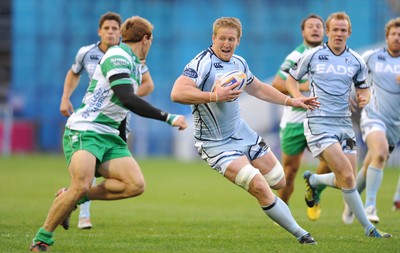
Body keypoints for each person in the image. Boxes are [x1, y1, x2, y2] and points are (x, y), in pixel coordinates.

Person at [29, 16, 187, 252]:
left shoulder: (134, 63)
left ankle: (69, 197)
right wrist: (169, 117)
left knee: (135, 185)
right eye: (151, 40)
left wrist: (121, 138)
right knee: (81, 185)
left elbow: (121, 106)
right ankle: (42, 239)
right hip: (86, 129)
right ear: (146, 39)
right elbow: (127, 98)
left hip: (109, 134)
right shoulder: (117, 56)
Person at [171, 17, 320, 245]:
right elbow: (177, 93)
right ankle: (302, 234)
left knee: (279, 181)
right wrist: (214, 95)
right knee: (259, 185)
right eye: (222, 38)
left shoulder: (239, 63)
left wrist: (292, 101)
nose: (226, 43)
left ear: (238, 41)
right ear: (214, 39)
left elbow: (258, 88)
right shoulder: (201, 63)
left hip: (243, 134)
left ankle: (277, 205)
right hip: (216, 144)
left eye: (231, 39)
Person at [286, 11, 391, 238]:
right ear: (328, 31)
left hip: (343, 124)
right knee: (345, 174)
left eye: (343, 30)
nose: (339, 34)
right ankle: (369, 229)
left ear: (349, 33)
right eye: (335, 29)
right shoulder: (313, 55)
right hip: (318, 122)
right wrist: (297, 98)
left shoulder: (356, 60)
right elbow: (290, 78)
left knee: (349, 177)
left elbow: (363, 88)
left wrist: (364, 97)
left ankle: (314, 180)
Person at [59, 13, 155, 230]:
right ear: (99, 31)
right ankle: (83, 215)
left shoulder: (128, 56)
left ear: (121, 33)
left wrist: (125, 97)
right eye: (107, 28)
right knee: (87, 168)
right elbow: (73, 74)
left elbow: (148, 84)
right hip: (92, 119)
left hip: (118, 120)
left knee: (110, 171)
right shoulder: (87, 53)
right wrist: (65, 98)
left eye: (115, 28)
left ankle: (71, 198)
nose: (111, 32)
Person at [341, 17, 400, 224]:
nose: (397, 38)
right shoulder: (372, 57)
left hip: (395, 124)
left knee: (370, 164)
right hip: (373, 116)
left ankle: (351, 201)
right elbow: (350, 72)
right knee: (381, 153)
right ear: (387, 37)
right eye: (394, 34)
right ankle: (370, 206)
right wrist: (344, 96)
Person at [271, 14, 329, 221]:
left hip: (321, 119)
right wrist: (303, 87)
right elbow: (277, 83)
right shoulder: (296, 55)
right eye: (310, 26)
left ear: (325, 31)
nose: (315, 29)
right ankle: (282, 213)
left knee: (331, 162)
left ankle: (314, 190)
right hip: (295, 120)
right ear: (303, 32)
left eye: (319, 26)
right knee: (289, 171)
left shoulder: (331, 55)